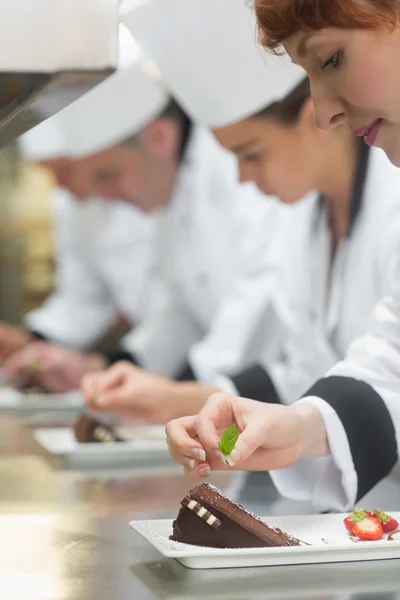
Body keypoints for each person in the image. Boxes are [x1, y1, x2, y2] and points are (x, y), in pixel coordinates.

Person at [166, 0, 400, 511]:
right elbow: (390, 364)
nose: (325, 113)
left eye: (331, 59)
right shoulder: (304, 229)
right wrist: (292, 427)